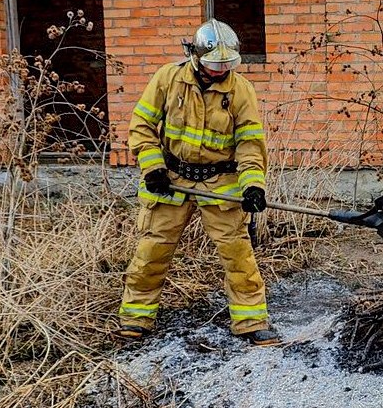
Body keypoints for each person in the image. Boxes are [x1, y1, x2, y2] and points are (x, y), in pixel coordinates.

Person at [116, 18, 279, 346]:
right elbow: (141, 125)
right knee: (152, 250)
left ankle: (251, 320)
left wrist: (253, 186)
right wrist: (153, 168)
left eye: (225, 66)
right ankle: (136, 318)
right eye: (214, 65)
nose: (220, 72)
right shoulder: (168, 78)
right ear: (196, 56)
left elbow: (250, 143)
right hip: (172, 179)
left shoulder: (240, 89)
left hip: (221, 181)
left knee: (237, 253)